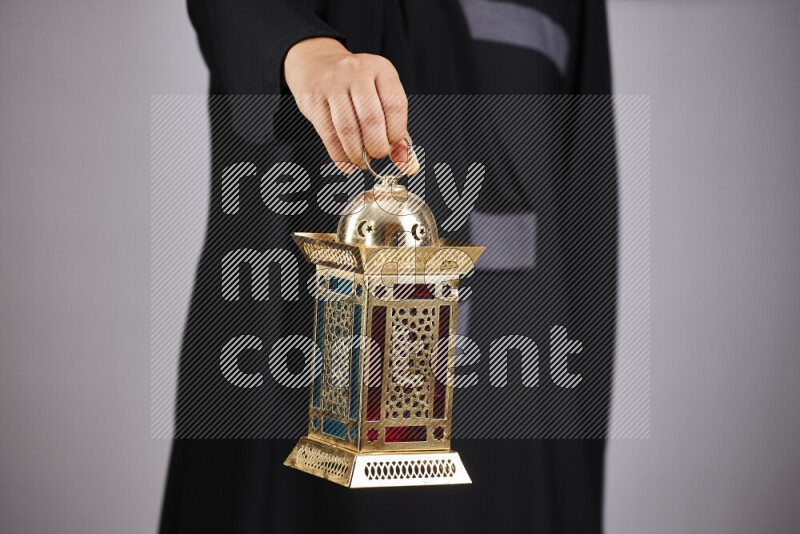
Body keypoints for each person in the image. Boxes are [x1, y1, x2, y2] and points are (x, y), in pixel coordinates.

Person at [161, 1, 618, 532]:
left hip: (512, 377)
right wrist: (309, 51)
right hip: (285, 359)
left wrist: (575, 462)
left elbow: (584, 214)